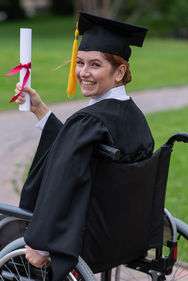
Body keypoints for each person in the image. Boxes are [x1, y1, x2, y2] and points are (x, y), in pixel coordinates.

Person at [12, 12, 156, 281]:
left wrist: (42, 243)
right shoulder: (132, 115)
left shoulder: (90, 121)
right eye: (79, 63)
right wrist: (40, 110)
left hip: (77, 236)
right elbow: (75, 146)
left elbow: (64, 177)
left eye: (95, 65)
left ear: (120, 71)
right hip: (121, 232)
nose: (83, 73)